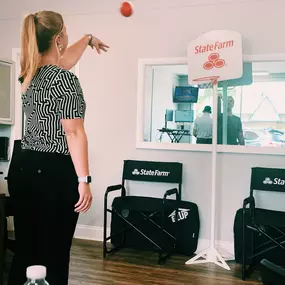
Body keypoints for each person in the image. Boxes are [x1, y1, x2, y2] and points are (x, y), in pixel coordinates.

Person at [7, 11, 109, 285]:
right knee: (54, 253)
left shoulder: (29, 74)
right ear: (58, 38)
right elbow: (74, 133)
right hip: (52, 173)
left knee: (28, 251)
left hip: (23, 167)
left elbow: (63, 60)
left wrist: (87, 39)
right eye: (67, 32)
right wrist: (84, 180)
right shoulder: (65, 80)